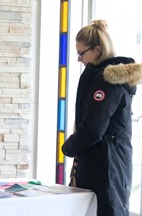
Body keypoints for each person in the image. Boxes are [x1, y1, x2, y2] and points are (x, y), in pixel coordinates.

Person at [62, 20, 142, 216]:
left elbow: (93, 128)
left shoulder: (106, 81)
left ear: (97, 50)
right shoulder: (102, 78)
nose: (79, 59)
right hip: (106, 161)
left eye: (82, 53)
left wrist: (69, 147)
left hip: (105, 165)